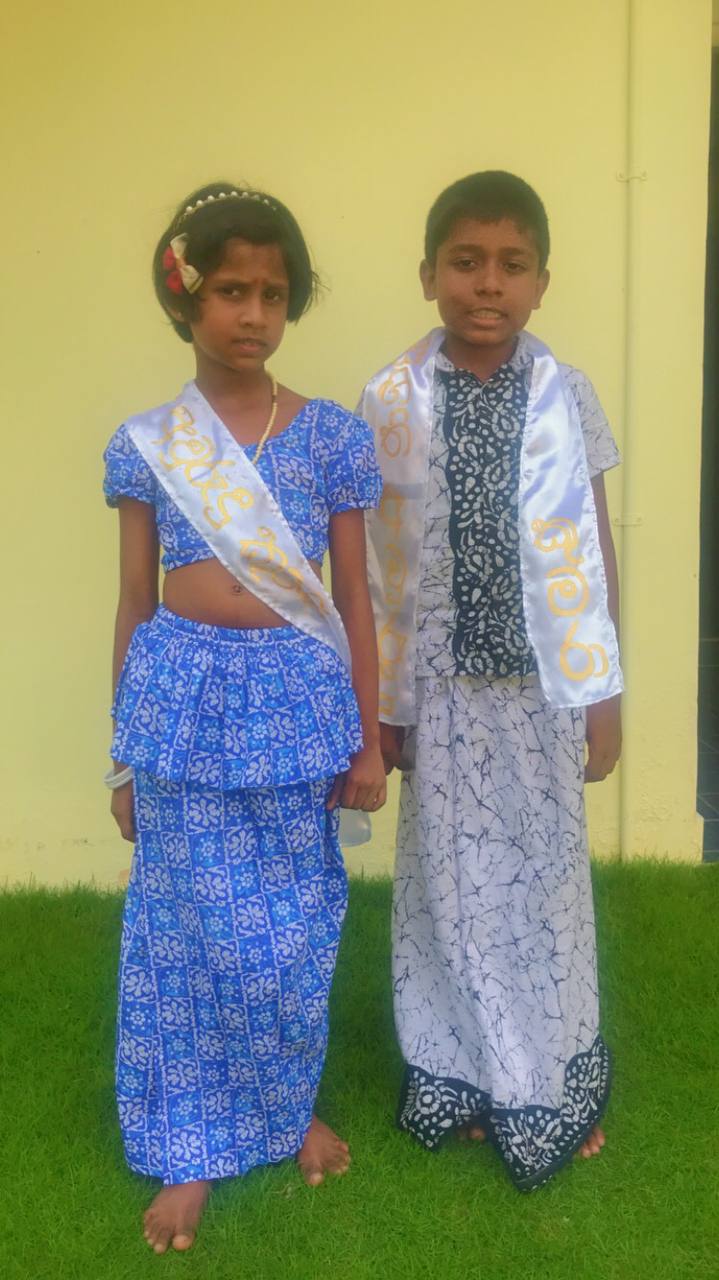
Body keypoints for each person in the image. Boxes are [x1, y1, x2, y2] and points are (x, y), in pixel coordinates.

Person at [103, 181, 385, 1252]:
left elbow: (352, 596)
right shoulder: (147, 445)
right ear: (185, 297)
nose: (252, 312)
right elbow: (133, 599)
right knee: (184, 930)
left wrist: (364, 736)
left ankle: (278, 1109)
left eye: (271, 291)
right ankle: (189, 1145)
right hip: (178, 707)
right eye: (229, 288)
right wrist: (120, 757)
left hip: (294, 704)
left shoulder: (330, 438)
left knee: (290, 930)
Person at [358, 171, 622, 1192]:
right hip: (436, 696)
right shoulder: (386, 401)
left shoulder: (568, 395)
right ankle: (459, 1070)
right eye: (465, 262)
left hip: (543, 689)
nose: (486, 284)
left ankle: (544, 1075)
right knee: (448, 889)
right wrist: (376, 710)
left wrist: (605, 692)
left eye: (510, 265)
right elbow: (364, 570)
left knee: (542, 882)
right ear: (427, 274)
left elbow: (592, 547)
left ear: (542, 282)